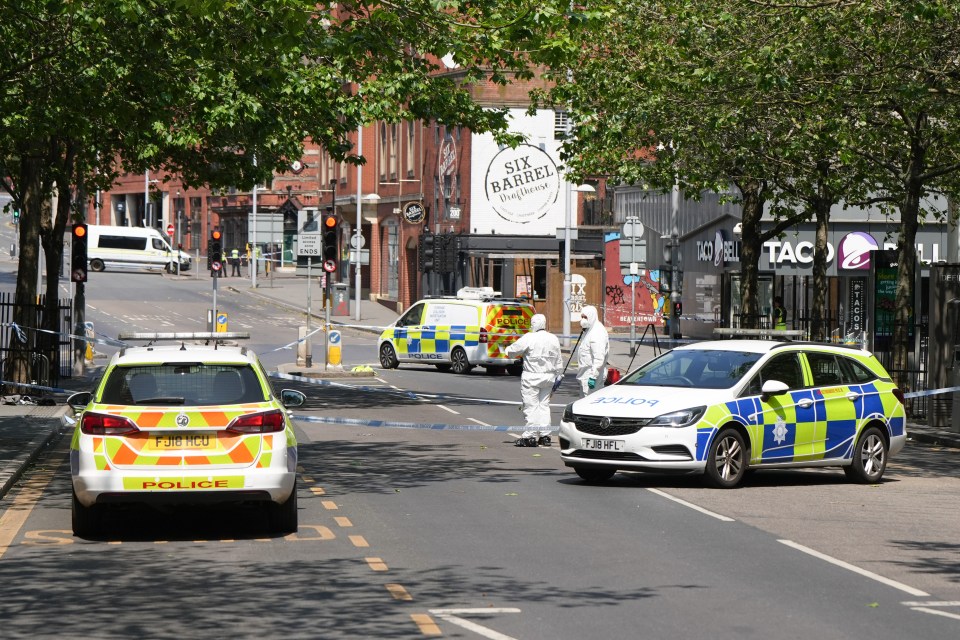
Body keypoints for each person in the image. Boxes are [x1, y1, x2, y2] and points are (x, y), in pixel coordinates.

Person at [505, 313, 563, 446]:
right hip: (549, 377)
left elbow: (513, 350)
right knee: (544, 406)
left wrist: (507, 350)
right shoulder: (553, 338)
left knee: (531, 406)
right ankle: (545, 436)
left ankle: (529, 436)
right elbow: (558, 359)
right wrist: (559, 375)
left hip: (532, 377)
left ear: (534, 324)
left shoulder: (529, 337)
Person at [577, 305, 609, 397]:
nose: (583, 320)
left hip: (592, 375)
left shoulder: (597, 333)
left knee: (589, 405)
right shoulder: (589, 330)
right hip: (586, 375)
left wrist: (593, 376)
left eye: (585, 317)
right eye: (582, 317)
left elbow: (599, 357)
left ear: (592, 317)